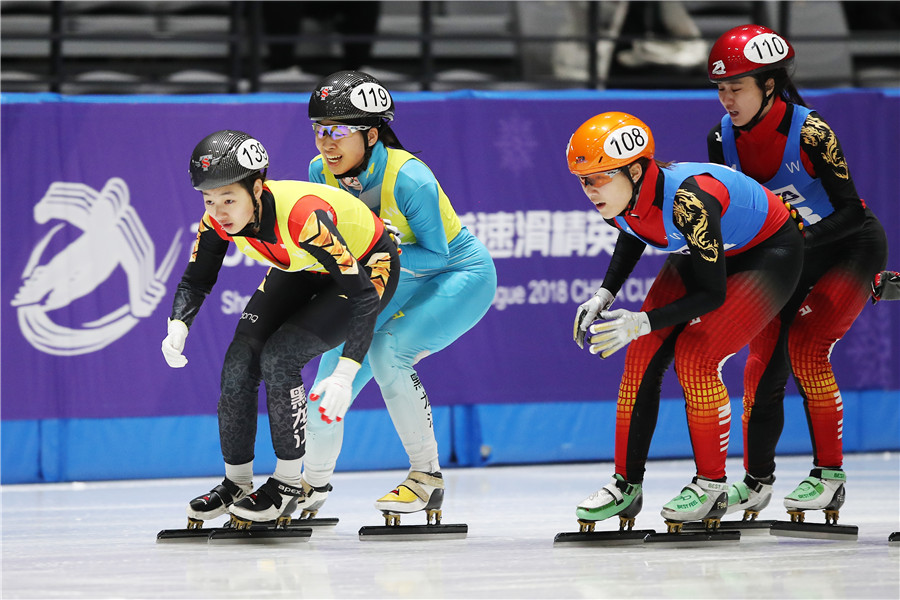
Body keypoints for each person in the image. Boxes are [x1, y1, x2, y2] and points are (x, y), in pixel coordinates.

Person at [568, 111, 805, 530]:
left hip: (767, 253)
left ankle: (712, 486)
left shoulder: (689, 201)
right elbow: (633, 230)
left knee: (697, 356)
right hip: (708, 249)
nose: (589, 190)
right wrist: (605, 293)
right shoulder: (619, 196)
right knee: (641, 355)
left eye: (599, 178)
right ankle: (626, 486)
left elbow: (711, 294)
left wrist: (642, 320)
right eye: (584, 180)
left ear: (636, 169)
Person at [160, 129, 400, 527]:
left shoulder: (303, 218)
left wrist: (346, 370)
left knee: (281, 356)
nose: (219, 212)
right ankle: (237, 482)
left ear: (258, 189)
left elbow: (361, 296)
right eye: (209, 200)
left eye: (229, 200)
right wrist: (177, 325)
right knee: (240, 359)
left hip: (366, 268)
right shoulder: (219, 217)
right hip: (305, 264)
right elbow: (197, 279)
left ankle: (289, 484)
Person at [296, 70, 497, 523]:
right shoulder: (318, 172)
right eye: (318, 130)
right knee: (331, 373)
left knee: (389, 352)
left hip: (456, 273)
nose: (325, 143)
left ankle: (426, 478)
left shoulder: (410, 178)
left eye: (337, 132)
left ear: (370, 134)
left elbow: (436, 254)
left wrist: (382, 251)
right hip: (392, 274)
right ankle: (311, 483)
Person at [706, 25, 889, 523]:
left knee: (807, 346)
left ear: (769, 86)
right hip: (792, 253)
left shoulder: (811, 132)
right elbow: (736, 210)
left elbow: (851, 212)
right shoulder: (720, 138)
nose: (727, 99)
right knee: (761, 364)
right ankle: (757, 482)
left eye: (737, 87)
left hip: (848, 247)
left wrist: (792, 242)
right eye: (721, 89)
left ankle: (828, 479)